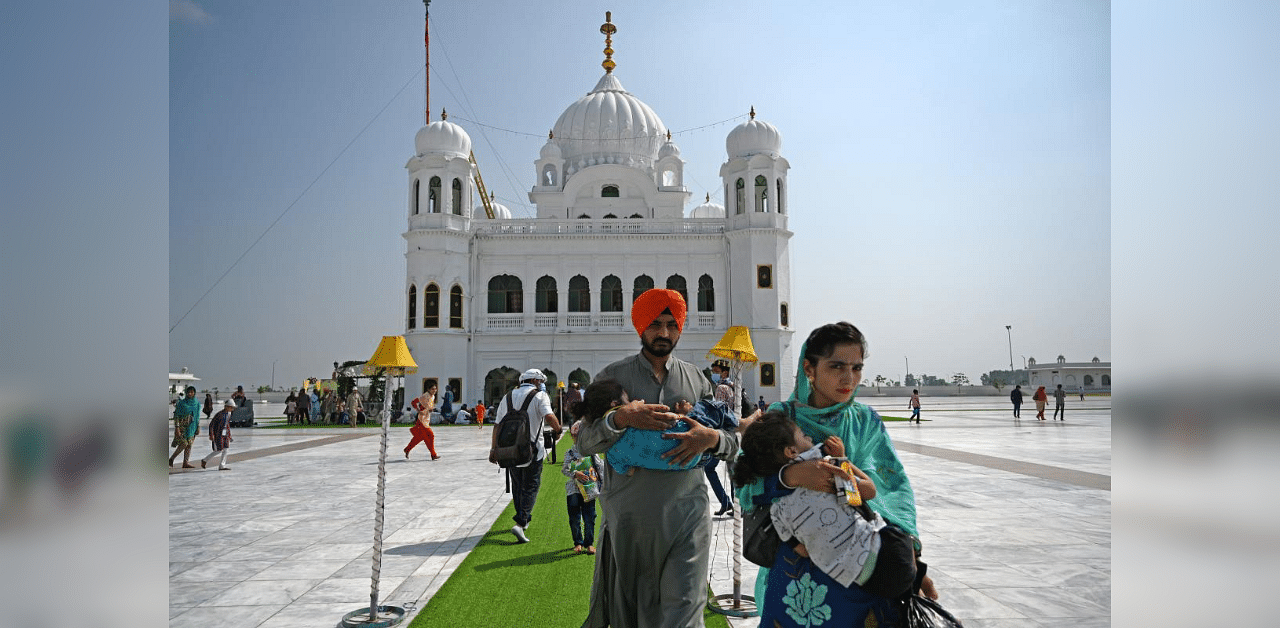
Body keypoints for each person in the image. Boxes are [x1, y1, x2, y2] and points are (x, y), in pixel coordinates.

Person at [736, 322, 935, 627]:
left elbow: (893, 488)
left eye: (857, 368)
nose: (849, 378)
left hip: (864, 570)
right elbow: (745, 479)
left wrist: (911, 561)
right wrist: (790, 477)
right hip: (799, 578)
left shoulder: (864, 422)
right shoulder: (782, 418)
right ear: (809, 368)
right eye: (837, 366)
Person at [576, 288, 740, 627]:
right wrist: (621, 419)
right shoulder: (612, 378)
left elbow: (734, 441)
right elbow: (585, 443)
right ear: (640, 327)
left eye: (671, 324)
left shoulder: (697, 379)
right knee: (633, 615)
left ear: (680, 328)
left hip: (688, 516)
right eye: (655, 324)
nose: (663, 333)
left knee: (684, 612)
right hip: (630, 521)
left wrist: (711, 438)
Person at [733, 411, 918, 601]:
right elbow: (869, 491)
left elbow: (801, 550)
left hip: (848, 580)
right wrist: (841, 459)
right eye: (804, 435)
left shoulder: (778, 510)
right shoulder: (824, 470)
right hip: (886, 556)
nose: (810, 437)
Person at [489, 369, 561, 543]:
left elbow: (497, 426)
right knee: (531, 486)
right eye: (541, 381)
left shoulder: (507, 397)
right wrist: (558, 430)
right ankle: (521, 523)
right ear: (536, 381)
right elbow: (549, 416)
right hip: (532, 449)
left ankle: (523, 518)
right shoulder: (539, 396)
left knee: (518, 485)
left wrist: (494, 449)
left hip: (510, 450)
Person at [561, 419, 603, 555]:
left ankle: (589, 543)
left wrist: (600, 480)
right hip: (573, 490)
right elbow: (564, 469)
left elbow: (601, 468)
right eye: (575, 437)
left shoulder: (592, 453)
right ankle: (578, 542)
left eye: (580, 437)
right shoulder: (570, 453)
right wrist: (575, 473)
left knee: (590, 516)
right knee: (574, 517)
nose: (577, 440)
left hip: (589, 490)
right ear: (571, 437)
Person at [169, 386, 201, 468]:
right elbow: (176, 416)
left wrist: (198, 427)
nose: (190, 394)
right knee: (184, 443)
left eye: (192, 392)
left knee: (189, 445)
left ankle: (185, 462)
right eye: (188, 392)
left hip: (192, 427)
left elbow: (197, 416)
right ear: (186, 393)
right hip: (182, 427)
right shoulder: (182, 403)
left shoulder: (197, 404)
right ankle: (171, 459)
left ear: (194, 393)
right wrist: (177, 428)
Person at [405, 384, 439, 460]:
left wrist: (430, 409)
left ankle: (407, 449)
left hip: (426, 418)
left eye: (435, 389)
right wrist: (418, 411)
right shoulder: (425, 396)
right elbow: (414, 402)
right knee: (430, 435)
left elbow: (428, 406)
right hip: (421, 419)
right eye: (433, 389)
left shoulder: (432, 397)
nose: (434, 390)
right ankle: (433, 454)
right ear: (428, 389)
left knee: (419, 437)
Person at [200, 399, 235, 470]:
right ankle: (205, 460)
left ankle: (222, 465)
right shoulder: (219, 415)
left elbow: (227, 424)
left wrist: (229, 435)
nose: (232, 409)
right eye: (231, 407)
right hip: (218, 434)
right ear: (226, 407)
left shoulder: (229, 414)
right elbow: (211, 425)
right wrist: (211, 434)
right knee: (218, 450)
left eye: (232, 408)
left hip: (225, 435)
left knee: (226, 449)